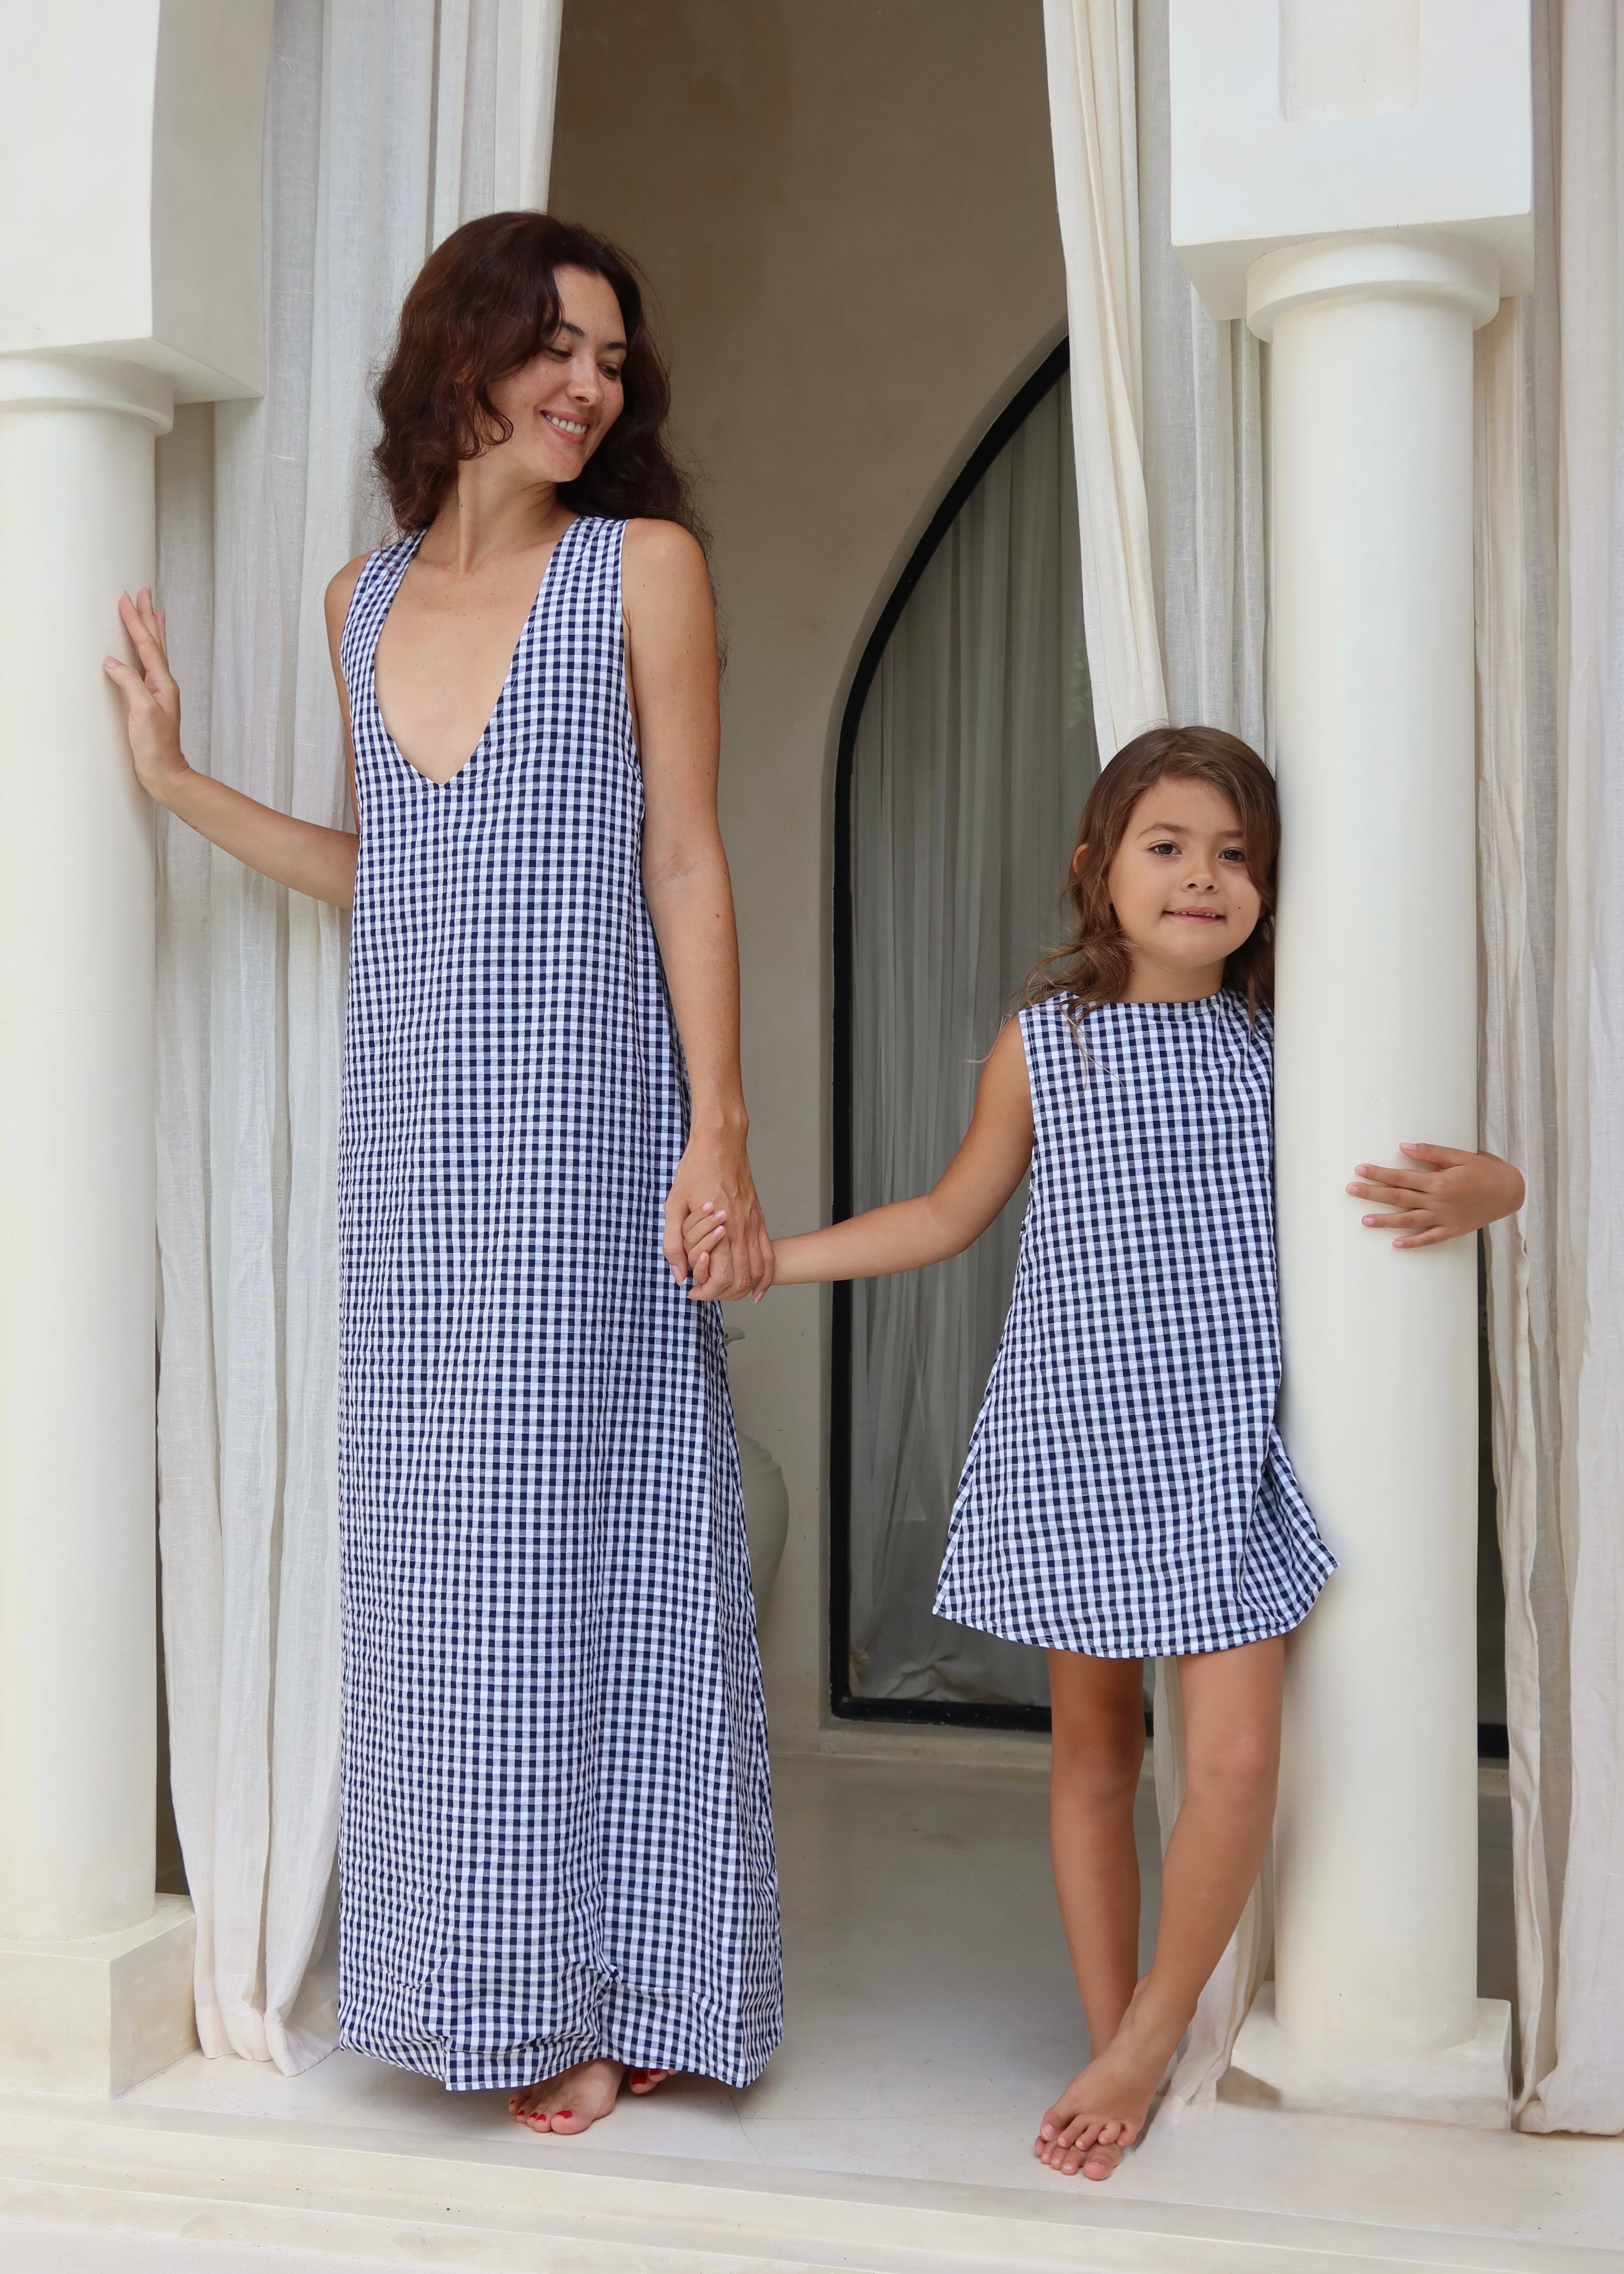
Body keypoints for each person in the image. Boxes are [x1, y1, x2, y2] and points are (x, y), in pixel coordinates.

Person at [105, 212, 783, 2133]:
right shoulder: (360, 596)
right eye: (558, 347)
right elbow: (392, 876)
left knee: (596, 1550)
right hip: (415, 1155)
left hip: (591, 1136)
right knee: (440, 1574)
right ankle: (483, 1977)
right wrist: (177, 789)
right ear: (462, 355)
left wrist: (714, 1129)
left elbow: (684, 861)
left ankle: (620, 1983)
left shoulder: (642, 571)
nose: (592, 387)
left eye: (614, 363)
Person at [682, 726, 1522, 2180]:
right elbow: (949, 1214)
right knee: (1095, 1751)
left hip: (1216, 1446)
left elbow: (1436, 1157)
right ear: (1098, 871)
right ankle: (1110, 2028)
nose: (1204, 876)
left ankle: (1148, 2034)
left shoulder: (1291, 1041)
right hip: (1072, 1437)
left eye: (1237, 853)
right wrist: (777, 1259)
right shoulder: (1047, 1042)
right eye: (1169, 846)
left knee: (1241, 1757)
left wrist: (1500, 1181)